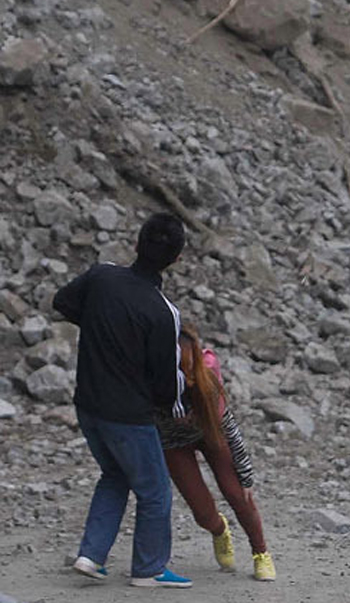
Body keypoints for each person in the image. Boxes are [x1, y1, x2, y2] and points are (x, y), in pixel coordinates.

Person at [53, 213, 192, 589]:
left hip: (87, 405)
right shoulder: (163, 313)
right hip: (129, 416)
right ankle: (148, 569)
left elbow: (62, 301)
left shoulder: (101, 277)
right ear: (176, 259)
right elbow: (167, 385)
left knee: (115, 474)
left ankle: (91, 556)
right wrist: (179, 410)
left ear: (136, 243)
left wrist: (102, 328)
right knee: (155, 490)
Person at [158, 324, 276, 582]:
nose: (184, 377)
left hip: (210, 434)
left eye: (187, 368)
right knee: (202, 512)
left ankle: (261, 553)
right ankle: (220, 531)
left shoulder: (207, 377)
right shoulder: (153, 382)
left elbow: (229, 427)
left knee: (238, 494)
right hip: (174, 444)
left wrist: (246, 476)